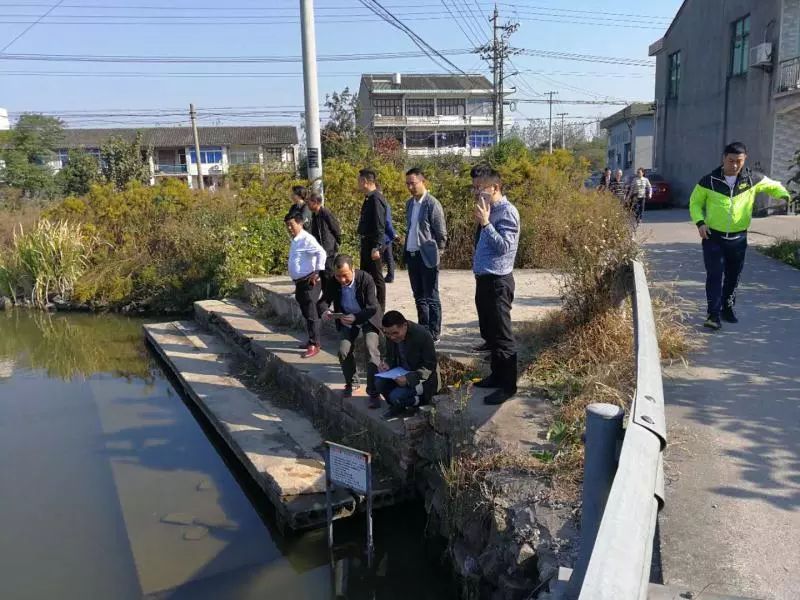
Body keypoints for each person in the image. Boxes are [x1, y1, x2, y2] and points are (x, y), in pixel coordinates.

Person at [689, 141, 791, 330]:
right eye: (731, 161)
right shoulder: (709, 181)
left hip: (738, 239)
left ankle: (727, 309)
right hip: (713, 238)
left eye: (739, 161)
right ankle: (713, 314)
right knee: (715, 274)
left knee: (733, 276)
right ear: (723, 159)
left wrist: (784, 195)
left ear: (745, 160)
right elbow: (695, 203)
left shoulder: (752, 179)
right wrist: (700, 222)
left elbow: (773, 186)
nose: (734, 165)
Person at [471, 165, 520, 405]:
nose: (477, 193)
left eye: (481, 189)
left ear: (495, 188)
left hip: (499, 281)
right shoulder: (488, 209)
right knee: (490, 334)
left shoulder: (507, 212)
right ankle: (496, 375)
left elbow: (504, 247)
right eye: (475, 189)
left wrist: (487, 224)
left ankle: (508, 385)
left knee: (502, 335)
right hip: (484, 279)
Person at [318, 254, 384, 408]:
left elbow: (372, 307)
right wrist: (325, 311)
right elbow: (323, 301)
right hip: (346, 320)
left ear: (353, 269)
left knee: (371, 349)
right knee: (343, 351)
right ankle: (351, 382)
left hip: (367, 318)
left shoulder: (366, 279)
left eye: (345, 276)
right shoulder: (333, 282)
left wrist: (356, 317)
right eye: (338, 276)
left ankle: (374, 392)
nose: (341, 280)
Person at [403, 167, 448, 342]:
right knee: (419, 296)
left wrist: (437, 253)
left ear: (423, 181)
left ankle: (434, 332)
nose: (410, 187)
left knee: (431, 296)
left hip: (427, 257)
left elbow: (441, 233)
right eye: (407, 184)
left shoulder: (432, 204)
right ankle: (424, 329)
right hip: (412, 255)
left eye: (413, 183)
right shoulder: (409, 204)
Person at [377, 310, 441, 420]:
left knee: (395, 396)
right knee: (379, 383)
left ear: (405, 325)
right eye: (387, 333)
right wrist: (386, 364)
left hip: (422, 379)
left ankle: (417, 401)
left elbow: (429, 366)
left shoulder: (422, 335)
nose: (391, 337)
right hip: (400, 373)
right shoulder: (391, 335)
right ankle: (397, 406)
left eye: (395, 333)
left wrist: (408, 379)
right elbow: (389, 355)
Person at [285, 213, 326, 359]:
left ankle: (315, 344)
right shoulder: (296, 240)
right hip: (300, 283)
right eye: (288, 225)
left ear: (300, 223)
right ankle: (310, 340)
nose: (290, 228)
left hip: (309, 281)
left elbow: (321, 253)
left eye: (292, 224)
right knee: (305, 312)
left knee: (311, 313)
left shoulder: (307, 238)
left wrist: (317, 272)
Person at [356, 169, 388, 310]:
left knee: (377, 277)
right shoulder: (369, 197)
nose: (358, 184)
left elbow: (380, 224)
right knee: (365, 276)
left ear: (365, 181)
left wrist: (377, 246)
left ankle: (380, 308)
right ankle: (368, 304)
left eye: (359, 180)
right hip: (366, 242)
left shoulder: (376, 198)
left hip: (373, 244)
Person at [307, 192, 341, 293]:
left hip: (328, 249)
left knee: (328, 274)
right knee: (322, 275)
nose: (308, 205)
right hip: (319, 250)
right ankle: (326, 297)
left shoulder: (325, 213)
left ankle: (332, 297)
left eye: (309, 202)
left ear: (316, 202)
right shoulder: (314, 215)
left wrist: (336, 243)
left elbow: (336, 228)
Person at [383, 201, 398, 284]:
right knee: (389, 257)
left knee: (387, 257)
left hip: (385, 236)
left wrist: (393, 234)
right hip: (387, 236)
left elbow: (387, 222)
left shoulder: (384, 204)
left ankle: (390, 276)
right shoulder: (385, 204)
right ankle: (390, 276)